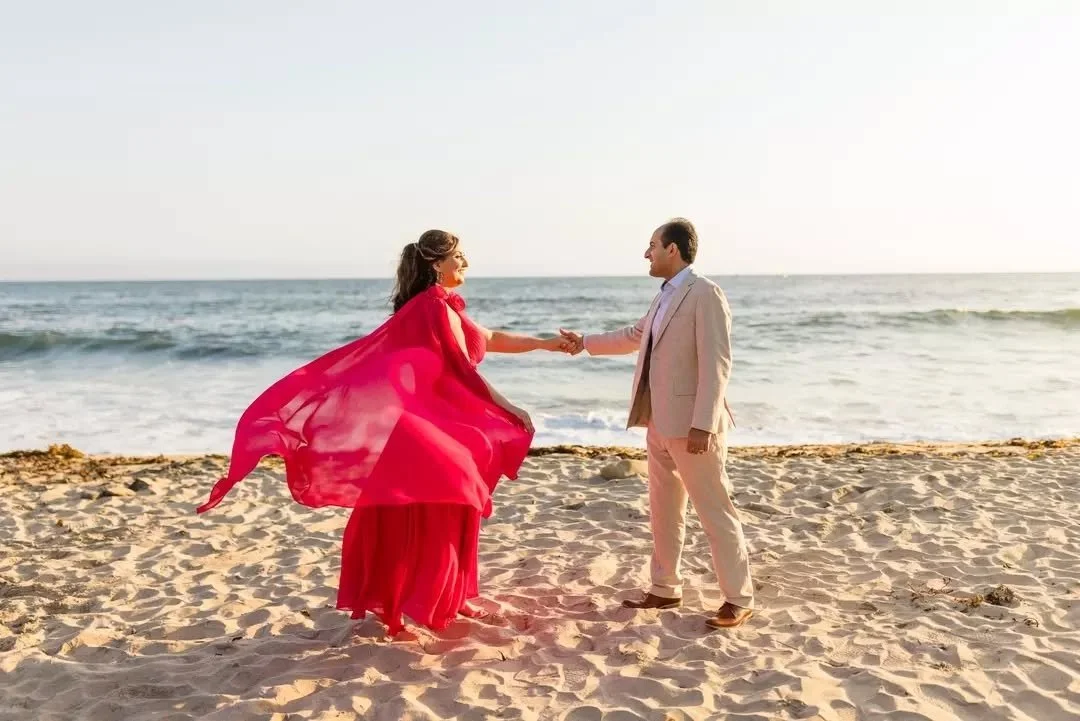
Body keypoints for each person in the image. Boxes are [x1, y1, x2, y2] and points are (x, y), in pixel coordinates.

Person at [197, 229, 568, 635]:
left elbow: (491, 339)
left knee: (450, 508)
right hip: (423, 433)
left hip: (434, 428)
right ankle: (426, 600)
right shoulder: (431, 308)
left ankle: (450, 597)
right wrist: (509, 407)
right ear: (435, 264)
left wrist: (547, 344)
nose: (465, 263)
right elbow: (461, 371)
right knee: (446, 504)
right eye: (458, 256)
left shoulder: (444, 309)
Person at [559, 218, 754, 630]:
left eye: (652, 245)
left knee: (714, 511)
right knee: (664, 511)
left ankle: (738, 597)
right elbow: (635, 335)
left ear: (674, 249)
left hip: (694, 427)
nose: (646, 253)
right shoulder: (664, 295)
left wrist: (704, 422)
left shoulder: (704, 293)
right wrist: (586, 341)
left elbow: (718, 362)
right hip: (659, 423)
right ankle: (665, 587)